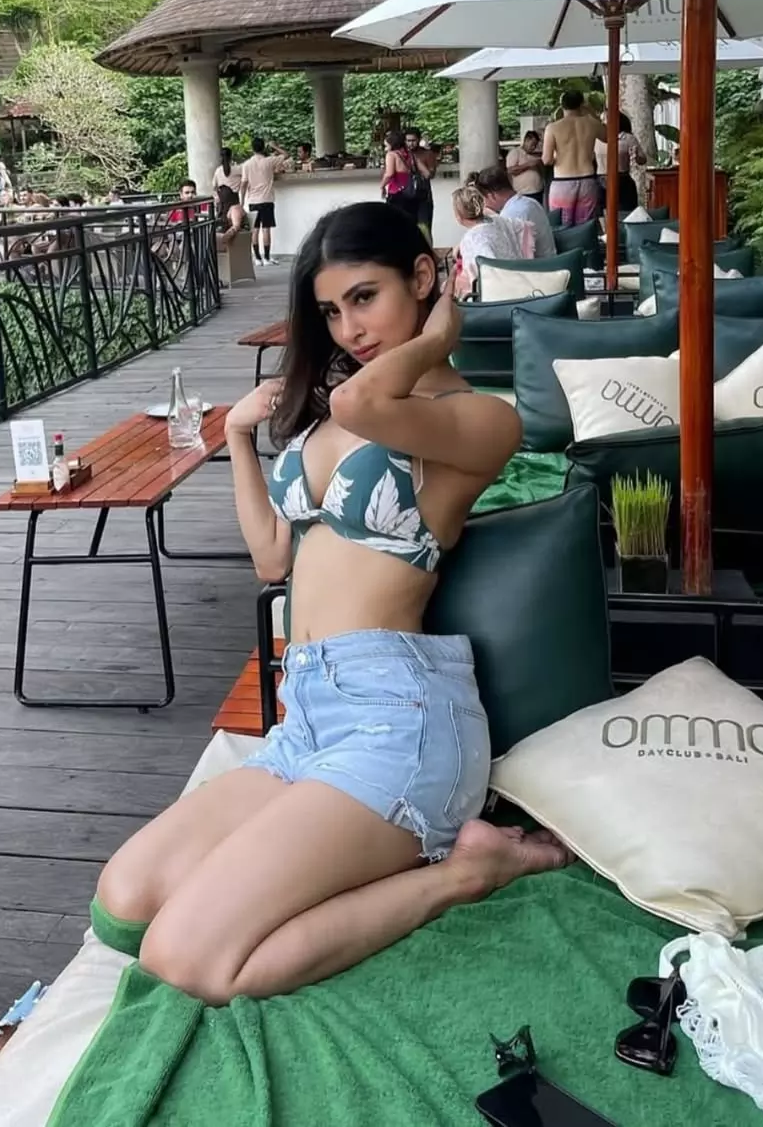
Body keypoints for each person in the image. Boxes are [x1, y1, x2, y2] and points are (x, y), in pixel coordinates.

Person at [94, 201, 570, 1006]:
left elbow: (360, 407)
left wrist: (436, 341)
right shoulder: (340, 410)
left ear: (424, 276)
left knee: (188, 957)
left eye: (365, 297)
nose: (349, 329)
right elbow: (273, 557)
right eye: (329, 311)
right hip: (308, 717)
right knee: (125, 900)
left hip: (400, 723)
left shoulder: (480, 419)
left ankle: (466, 872)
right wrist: (238, 438)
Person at [451, 185, 535, 298]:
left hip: (496, 290)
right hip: (518, 275)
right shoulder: (497, 221)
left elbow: (475, 275)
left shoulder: (470, 239)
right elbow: (522, 227)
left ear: (458, 216)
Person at [542, 91, 607, 226]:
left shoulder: (553, 128)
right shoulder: (592, 124)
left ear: (562, 105)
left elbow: (546, 160)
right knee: (585, 227)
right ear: (582, 104)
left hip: (563, 181)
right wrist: (592, 113)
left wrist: (557, 157)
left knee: (561, 226)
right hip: (587, 179)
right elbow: (608, 137)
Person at [472, 164, 555, 258]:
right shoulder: (530, 202)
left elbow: (513, 255)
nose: (485, 204)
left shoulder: (512, 214)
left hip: (538, 265)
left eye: (483, 199)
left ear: (492, 196)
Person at [241, 136, 290, 267]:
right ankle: (267, 258)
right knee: (266, 229)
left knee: (255, 230)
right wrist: (274, 146)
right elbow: (286, 155)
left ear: (252, 148)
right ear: (263, 148)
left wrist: (242, 201)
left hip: (253, 200)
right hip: (267, 199)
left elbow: (244, 184)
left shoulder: (246, 164)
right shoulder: (269, 161)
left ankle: (257, 258)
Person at [595, 112, 647, 214]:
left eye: (605, 119)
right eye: (601, 120)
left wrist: (636, 156)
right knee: (601, 214)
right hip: (601, 181)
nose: (602, 123)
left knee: (625, 213)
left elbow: (643, 160)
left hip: (622, 180)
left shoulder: (627, 138)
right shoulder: (597, 138)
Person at [405, 128, 437, 242]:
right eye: (408, 141)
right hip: (406, 195)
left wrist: (416, 161)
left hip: (423, 196)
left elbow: (430, 175)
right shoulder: (401, 154)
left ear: (419, 140)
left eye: (413, 140)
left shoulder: (427, 154)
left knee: (424, 227)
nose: (410, 143)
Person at [506, 131, 545, 203]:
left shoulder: (534, 156)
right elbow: (510, 170)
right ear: (526, 140)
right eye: (532, 144)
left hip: (538, 191)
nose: (534, 147)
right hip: (524, 193)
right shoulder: (515, 152)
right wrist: (528, 165)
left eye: (535, 145)